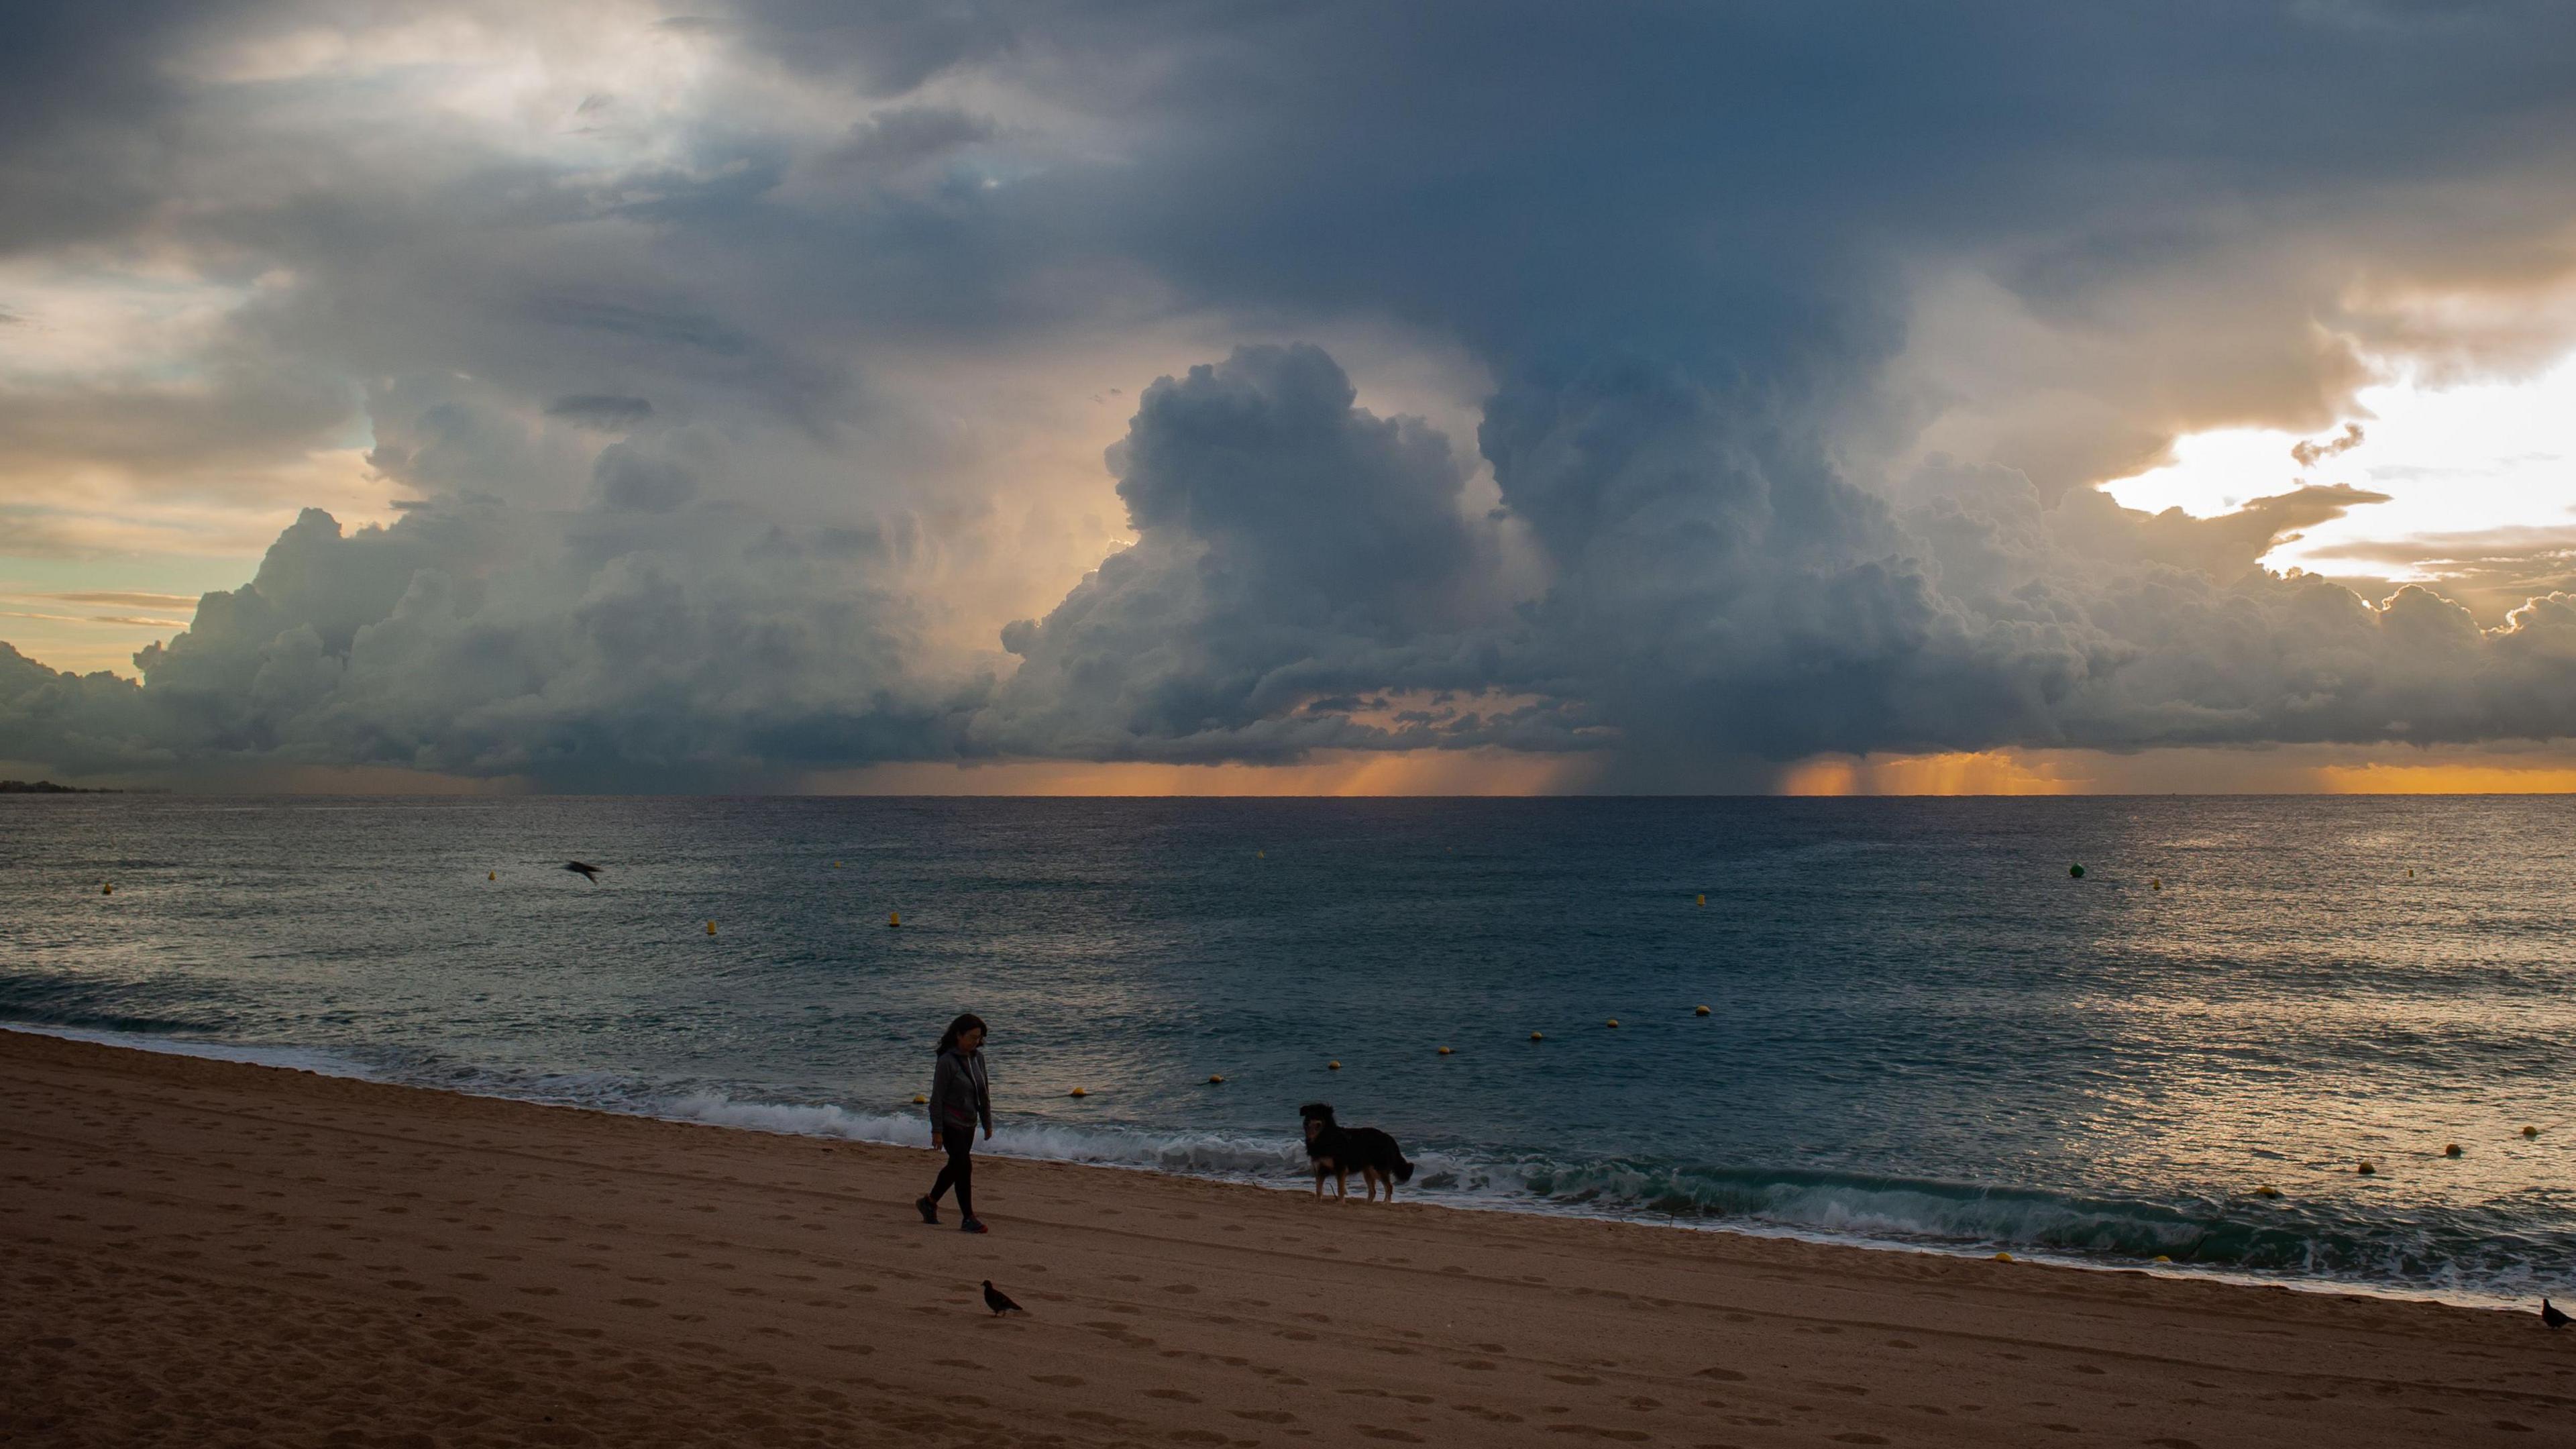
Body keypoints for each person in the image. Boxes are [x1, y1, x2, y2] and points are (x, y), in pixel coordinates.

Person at [917, 1012, 993, 1233]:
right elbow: (937, 1098)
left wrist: (987, 1122)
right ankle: (968, 1218)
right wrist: (937, 1130)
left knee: (955, 1166)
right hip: (950, 1123)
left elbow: (984, 1093)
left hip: (969, 1122)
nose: (976, 1042)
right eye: (972, 1037)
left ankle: (929, 1202)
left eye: (979, 1037)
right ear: (958, 1035)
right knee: (964, 1165)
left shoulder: (978, 1059)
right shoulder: (946, 1061)